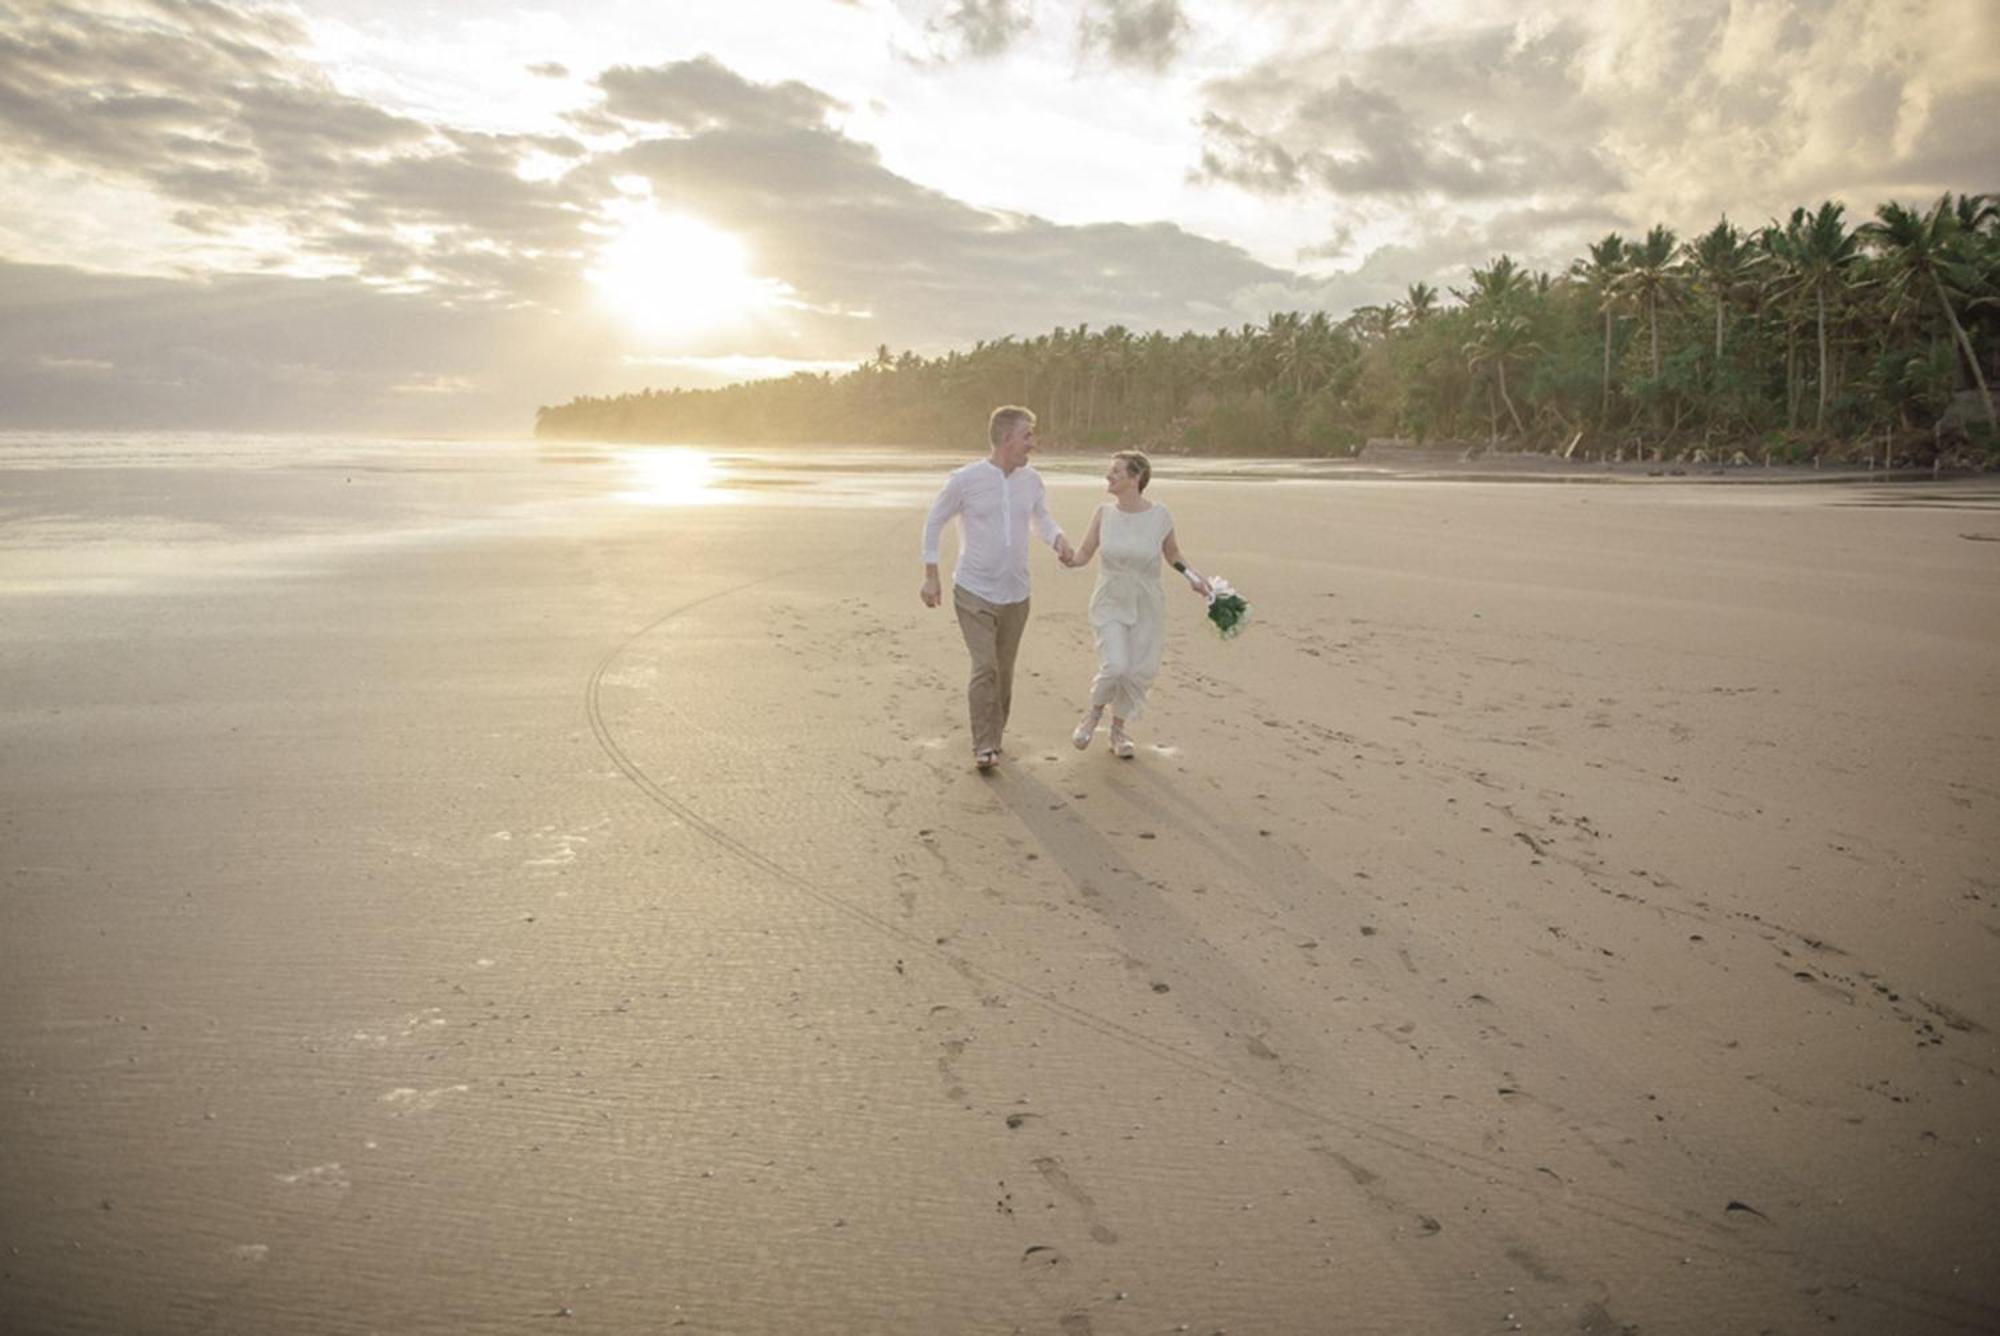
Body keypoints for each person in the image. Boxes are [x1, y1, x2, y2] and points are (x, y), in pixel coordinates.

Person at [921, 406, 1073, 770]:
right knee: (985, 666)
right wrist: (931, 574)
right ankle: (983, 743)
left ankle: (995, 736)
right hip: (973, 590)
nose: (1032, 444)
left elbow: (1040, 518)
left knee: (1004, 671)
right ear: (1007, 439)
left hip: (1017, 593)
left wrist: (1058, 539)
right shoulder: (965, 479)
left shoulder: (1031, 480)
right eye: (1027, 436)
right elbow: (934, 521)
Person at [1060, 450, 1209, 758]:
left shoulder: (1160, 516)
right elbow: (1084, 554)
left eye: (1116, 471)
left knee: (1136, 670)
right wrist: (1068, 557)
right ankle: (1093, 715)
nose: (1108, 476)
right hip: (1110, 598)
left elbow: (1173, 555)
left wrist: (1193, 577)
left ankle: (1118, 730)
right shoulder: (1104, 513)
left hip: (1146, 601)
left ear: (1135, 478)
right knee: (1115, 664)